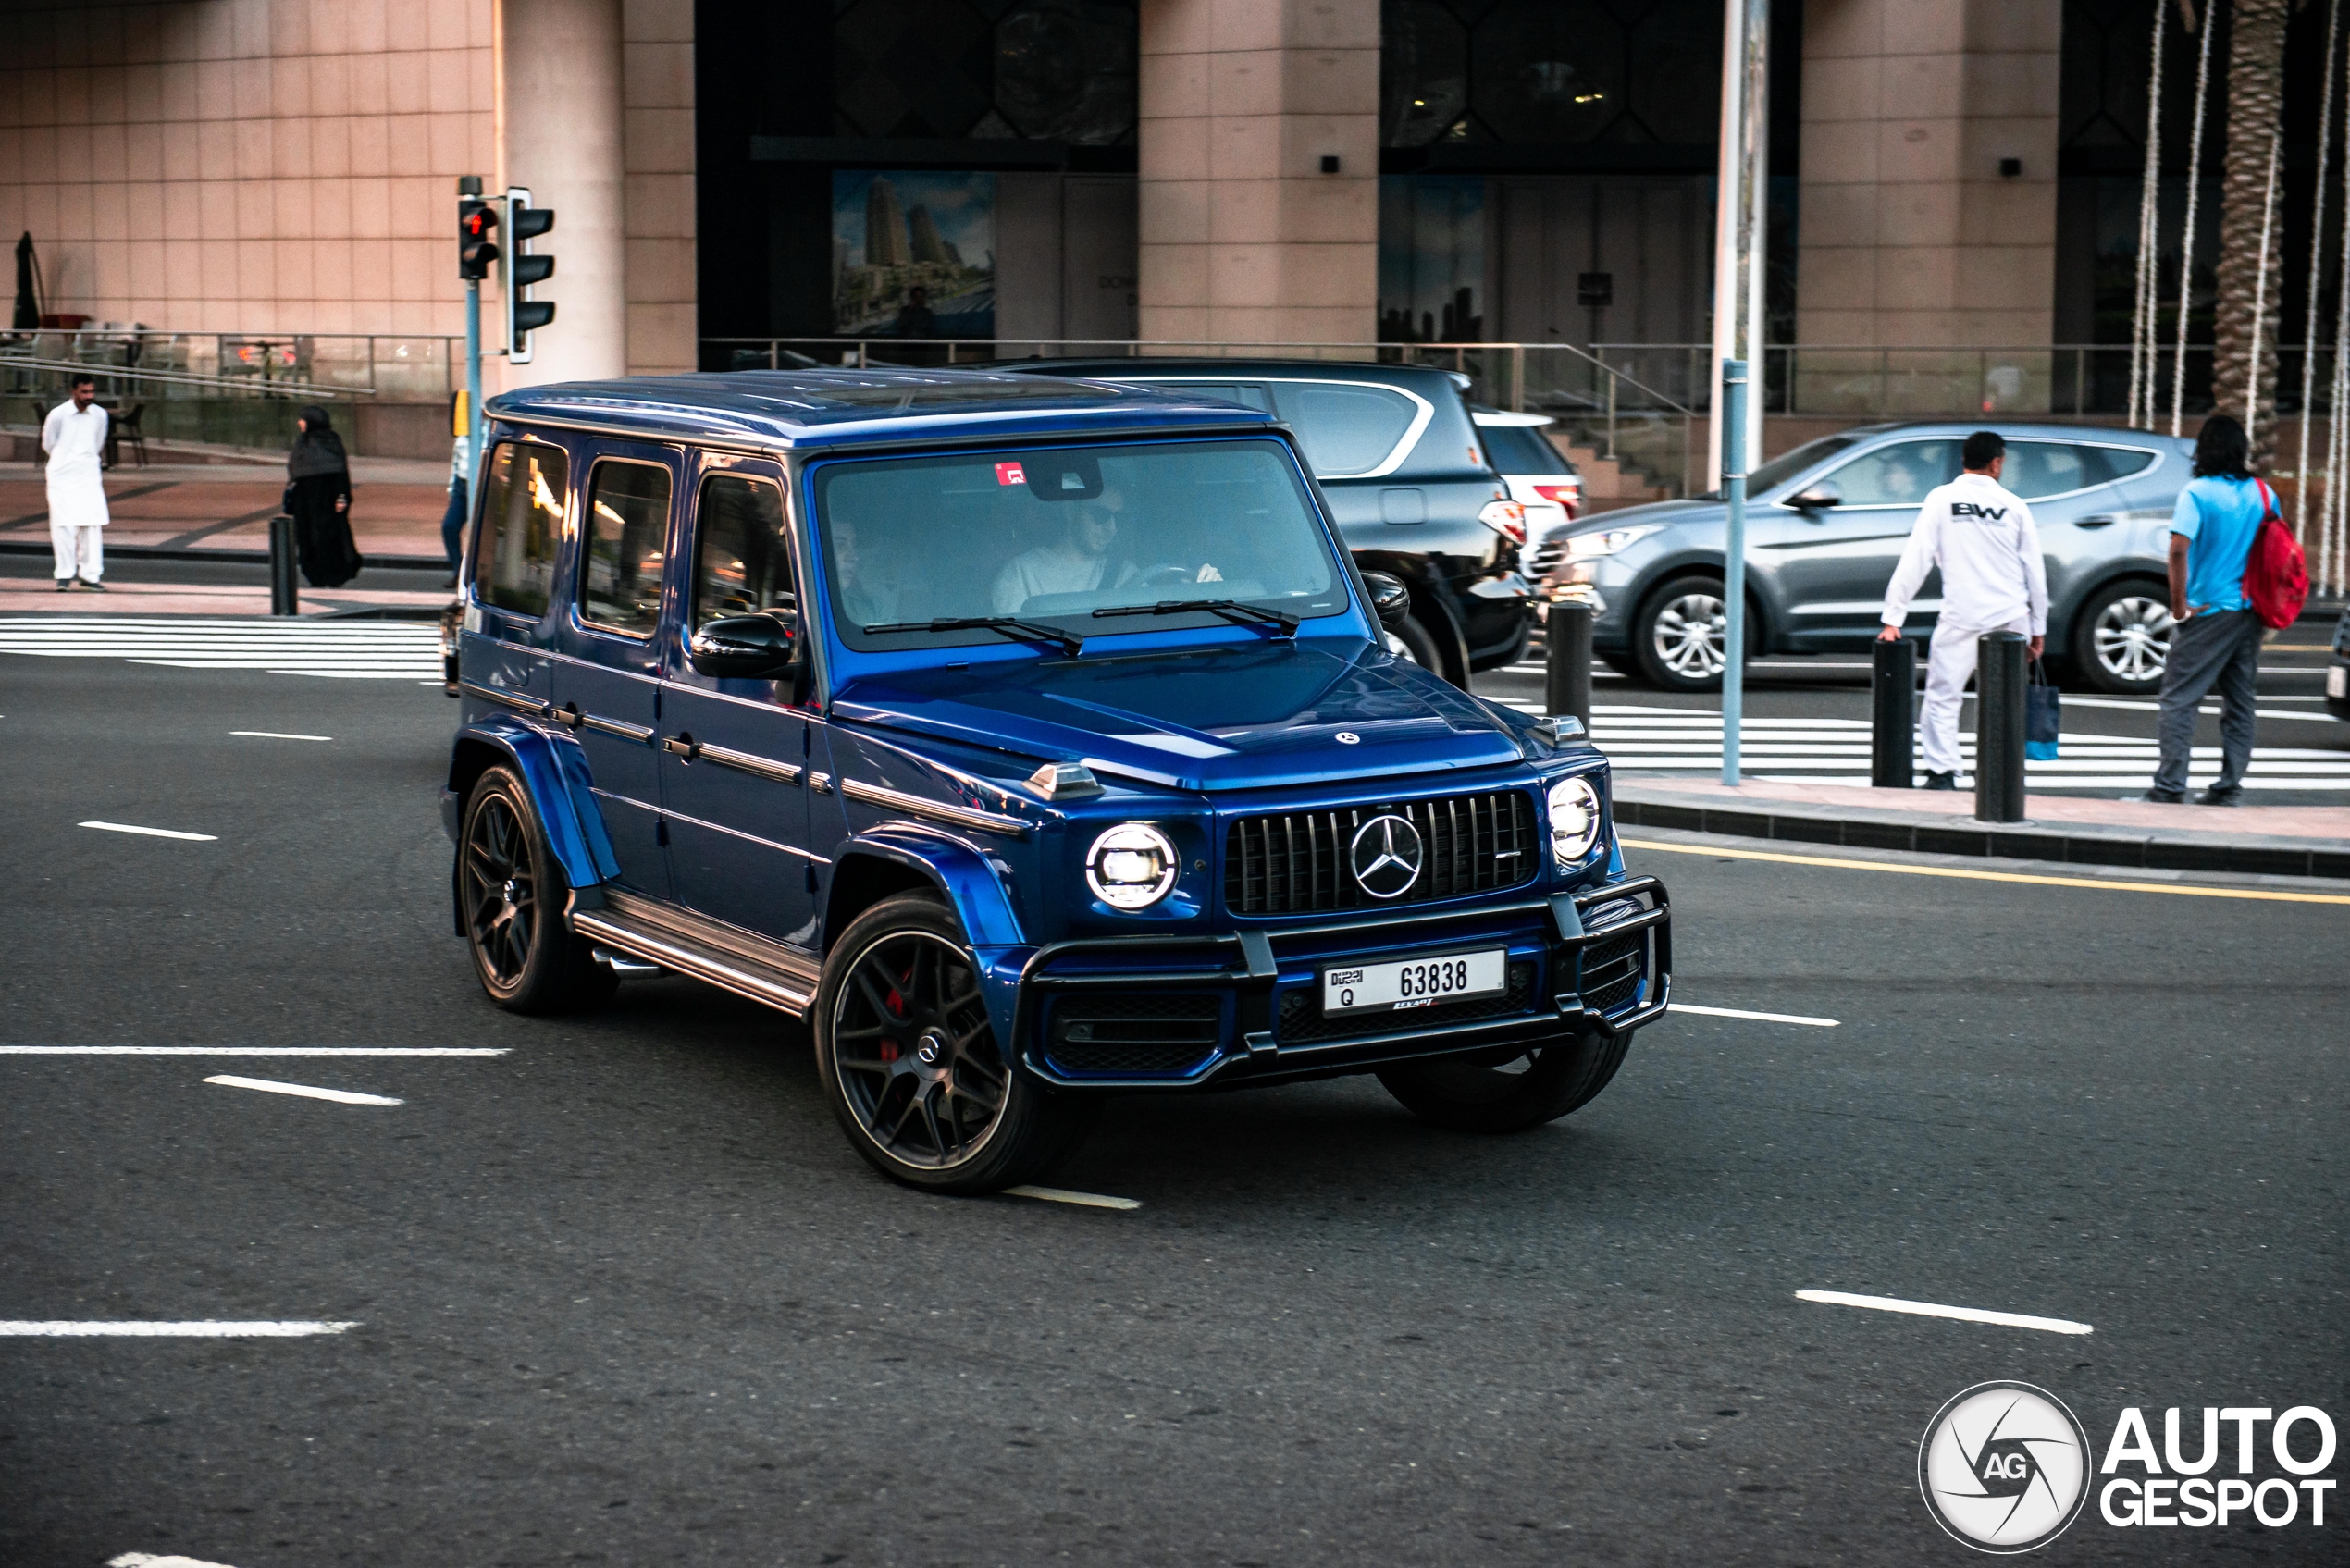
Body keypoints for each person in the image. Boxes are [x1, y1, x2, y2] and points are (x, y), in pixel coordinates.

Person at [1878, 429, 2047, 789]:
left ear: (1963, 461)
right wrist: (2038, 627)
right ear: (1997, 463)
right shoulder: (2015, 507)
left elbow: (1916, 558)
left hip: (1961, 614)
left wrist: (1894, 617)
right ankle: (2000, 776)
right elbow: (2034, 571)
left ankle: (1943, 772)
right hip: (2010, 615)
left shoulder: (1942, 500)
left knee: (1943, 695)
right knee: (2004, 699)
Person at [2147, 414, 2266, 806]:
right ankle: (2230, 785)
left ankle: (2169, 785)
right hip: (2249, 610)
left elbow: (2178, 549)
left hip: (2208, 610)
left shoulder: (2197, 493)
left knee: (2178, 699)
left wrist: (2179, 608)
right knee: (2239, 701)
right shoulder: (2262, 494)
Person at [42, 374, 109, 592]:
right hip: (62, 475)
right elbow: (49, 443)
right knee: (63, 525)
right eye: (84, 392)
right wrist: (66, 460)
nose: (89, 396)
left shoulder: (99, 415)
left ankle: (90, 575)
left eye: (91, 392)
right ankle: (64, 575)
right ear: (73, 391)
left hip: (88, 475)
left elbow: (98, 442)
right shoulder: (58, 415)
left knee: (90, 525)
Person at [286, 403, 361, 588]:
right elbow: (296, 471)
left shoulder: (331, 441)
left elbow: (341, 472)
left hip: (328, 498)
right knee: (307, 537)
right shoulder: (301, 442)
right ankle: (315, 575)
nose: (300, 423)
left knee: (329, 536)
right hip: (305, 500)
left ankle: (335, 575)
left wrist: (342, 496)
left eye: (302, 420)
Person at [439, 433, 469, 590]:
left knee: (478, 534)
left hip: (479, 484)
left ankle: (471, 574)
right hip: (461, 485)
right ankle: (459, 571)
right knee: (449, 526)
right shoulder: (462, 438)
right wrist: (452, 490)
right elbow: (455, 465)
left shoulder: (487, 432)